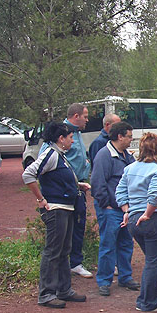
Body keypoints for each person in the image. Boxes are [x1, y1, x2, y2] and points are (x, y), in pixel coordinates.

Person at [22, 122, 90, 308]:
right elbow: (28, 175)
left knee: (63, 250)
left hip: (66, 207)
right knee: (53, 251)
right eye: (70, 137)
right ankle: (46, 294)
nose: (72, 141)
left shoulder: (60, 156)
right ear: (61, 139)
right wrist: (41, 199)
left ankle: (63, 289)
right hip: (56, 208)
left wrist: (77, 186)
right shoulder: (51, 154)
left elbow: (59, 178)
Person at [116, 133, 157, 312]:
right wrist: (147, 213)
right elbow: (155, 195)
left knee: (150, 260)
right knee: (153, 261)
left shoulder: (130, 168)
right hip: (152, 219)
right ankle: (146, 302)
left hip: (133, 220)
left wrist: (127, 211)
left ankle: (150, 298)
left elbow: (120, 192)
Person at [40, 103, 93, 278]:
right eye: (85, 116)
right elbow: (38, 167)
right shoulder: (60, 133)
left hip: (77, 188)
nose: (87, 120)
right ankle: (52, 282)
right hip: (61, 194)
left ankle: (74, 264)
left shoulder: (76, 133)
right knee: (59, 238)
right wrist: (41, 197)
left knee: (78, 226)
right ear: (76, 116)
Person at [90, 121, 139, 297]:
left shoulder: (127, 156)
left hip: (125, 209)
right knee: (108, 245)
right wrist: (107, 204)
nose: (131, 141)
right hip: (110, 209)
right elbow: (97, 183)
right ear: (120, 137)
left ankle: (125, 277)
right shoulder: (104, 155)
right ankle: (104, 281)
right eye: (129, 137)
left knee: (126, 243)